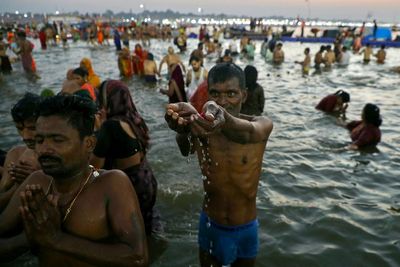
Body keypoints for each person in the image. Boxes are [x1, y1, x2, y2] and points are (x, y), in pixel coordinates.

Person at [0, 95, 148, 265]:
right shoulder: (37, 182)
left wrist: (57, 239)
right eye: (39, 140)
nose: (44, 149)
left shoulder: (111, 184)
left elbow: (138, 258)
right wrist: (29, 238)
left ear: (89, 144)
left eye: (57, 140)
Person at [164, 63, 273, 266]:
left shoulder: (261, 124)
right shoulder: (203, 127)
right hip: (211, 224)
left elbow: (249, 131)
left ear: (244, 95)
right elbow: (185, 149)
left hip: (246, 228)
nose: (223, 102)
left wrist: (223, 118)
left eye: (231, 94)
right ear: (208, 95)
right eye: (215, 94)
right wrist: (183, 127)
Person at [91, 80, 158, 235]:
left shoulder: (110, 126)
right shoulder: (135, 120)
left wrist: (97, 132)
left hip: (131, 188)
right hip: (147, 182)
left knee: (128, 234)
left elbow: (94, 170)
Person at [0, 93, 41, 211]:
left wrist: (36, 177)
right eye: (20, 128)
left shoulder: (58, 156)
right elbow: (2, 191)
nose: (25, 136)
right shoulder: (15, 154)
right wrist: (16, 185)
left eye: (32, 128)